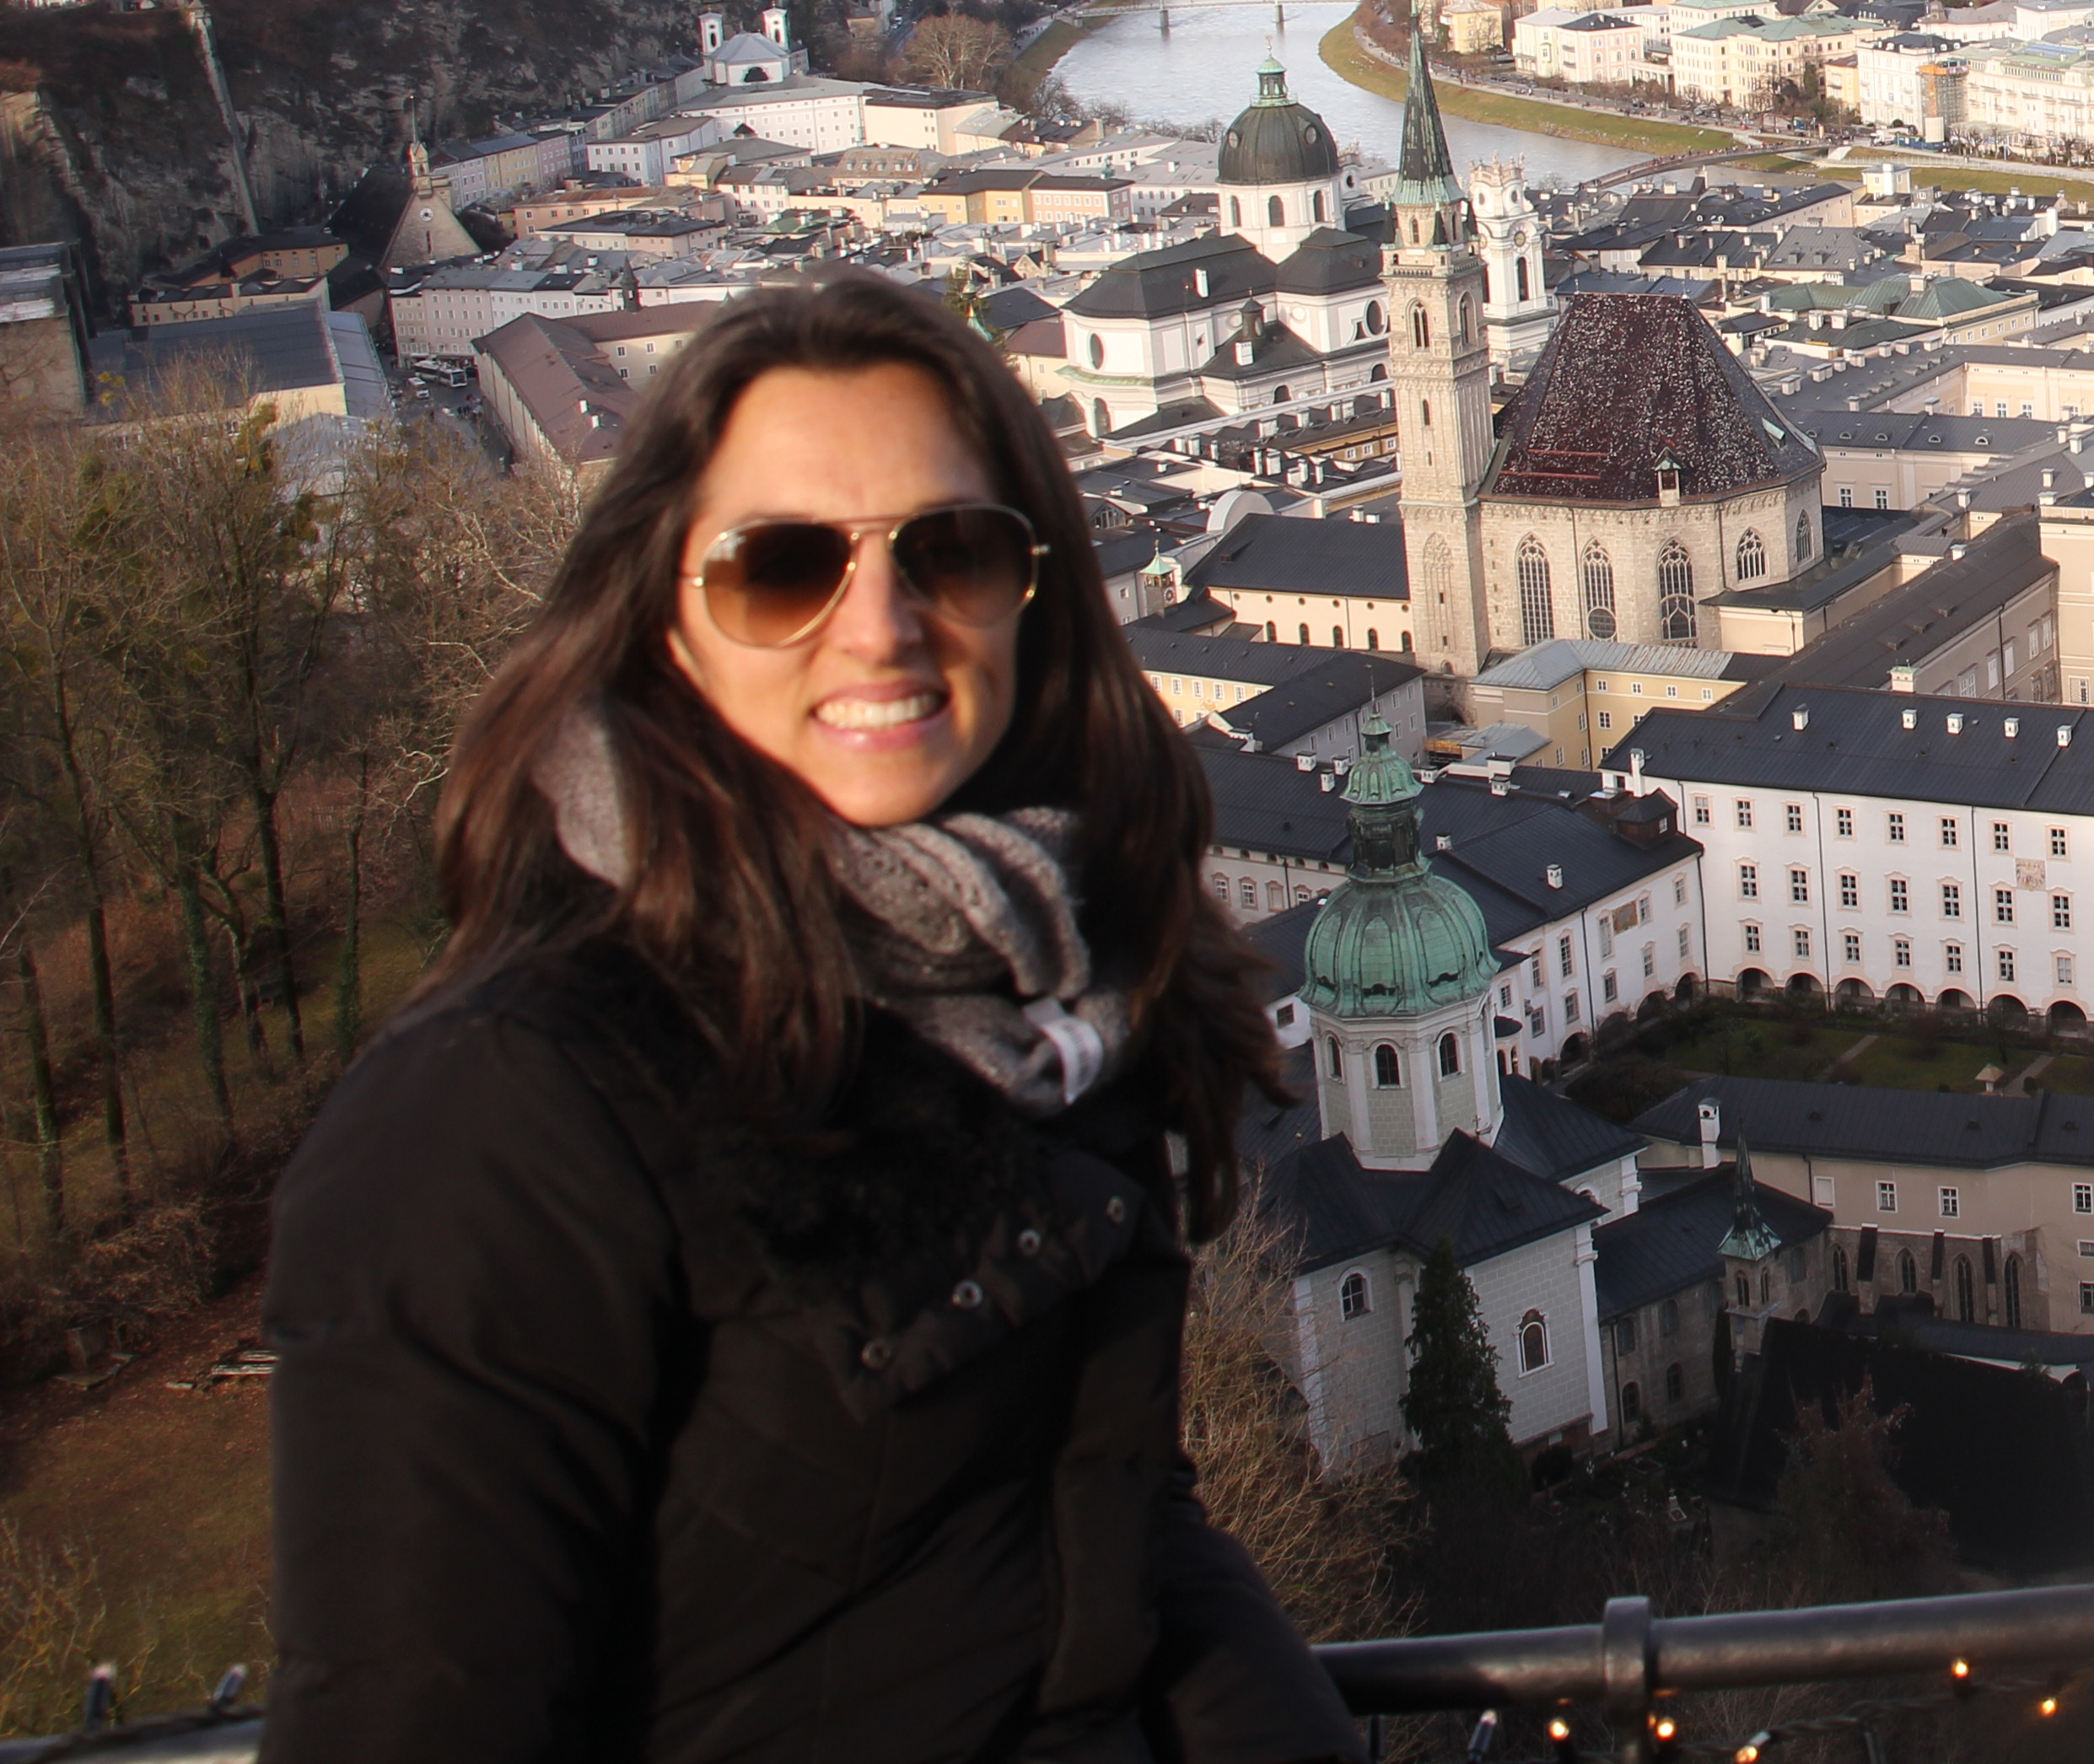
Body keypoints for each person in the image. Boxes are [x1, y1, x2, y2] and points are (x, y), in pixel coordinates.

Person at [263, 277, 1352, 1763]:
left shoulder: (1047, 996)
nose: (882, 627)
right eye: (783, 570)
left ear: (1035, 593)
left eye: (951, 552)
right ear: (662, 620)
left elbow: (1117, 1531)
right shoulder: (498, 1120)